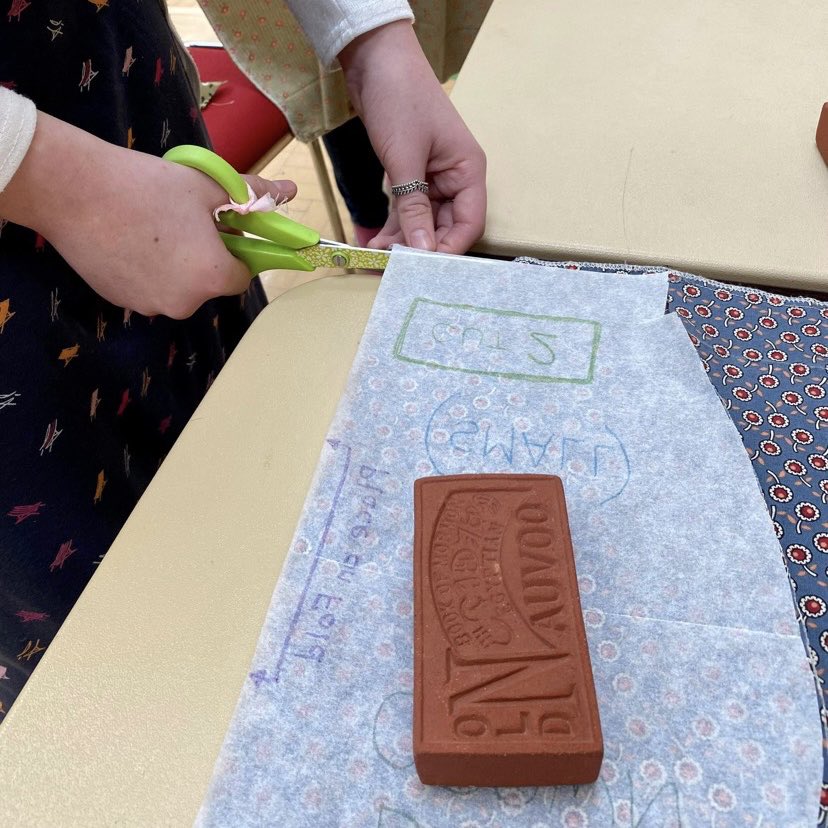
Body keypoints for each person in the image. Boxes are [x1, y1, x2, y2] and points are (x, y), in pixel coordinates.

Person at [0, 2, 486, 717]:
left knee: (269, 474)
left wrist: (370, 38)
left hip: (140, 132)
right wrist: (50, 177)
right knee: (114, 672)